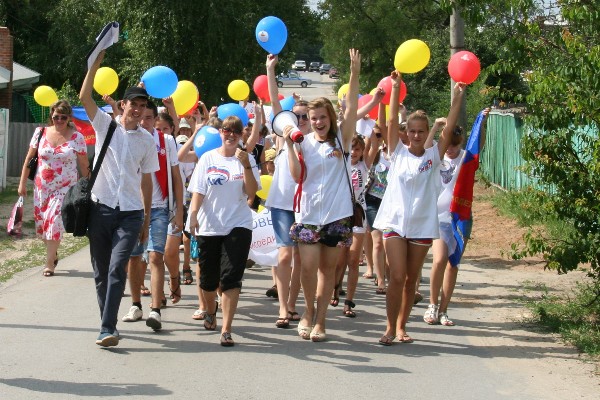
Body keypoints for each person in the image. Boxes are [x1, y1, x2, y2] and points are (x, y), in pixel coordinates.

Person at [374, 70, 466, 346]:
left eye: (420, 131)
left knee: (411, 279)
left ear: (427, 133)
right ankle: (390, 327)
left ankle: (402, 326)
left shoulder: (433, 156)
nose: (415, 135)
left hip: (422, 224)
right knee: (397, 276)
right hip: (394, 221)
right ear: (406, 133)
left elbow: (449, 129)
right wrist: (395, 86)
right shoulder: (397, 152)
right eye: (411, 131)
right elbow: (390, 120)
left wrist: (458, 97)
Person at [79, 50, 159, 347]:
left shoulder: (148, 140)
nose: (138, 109)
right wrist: (95, 64)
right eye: (133, 104)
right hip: (100, 208)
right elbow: (85, 97)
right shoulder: (105, 125)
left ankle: (106, 328)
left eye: (143, 105)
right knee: (101, 272)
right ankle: (107, 324)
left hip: (131, 213)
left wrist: (147, 221)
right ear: (122, 105)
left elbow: (147, 180)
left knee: (116, 268)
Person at [285, 49, 361, 342]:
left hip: (336, 216)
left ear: (330, 117)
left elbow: (352, 107)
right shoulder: (302, 142)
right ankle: (307, 310)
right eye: (313, 118)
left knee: (328, 270)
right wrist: (290, 146)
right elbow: (296, 176)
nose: (317, 122)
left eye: (322, 117)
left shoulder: (341, 141)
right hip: (307, 216)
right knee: (307, 267)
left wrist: (354, 74)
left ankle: (321, 321)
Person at [188, 116, 259, 347]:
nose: (231, 134)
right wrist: (193, 213)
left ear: (242, 136)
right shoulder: (208, 157)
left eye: (236, 132)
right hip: (209, 225)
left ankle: (227, 329)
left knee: (230, 277)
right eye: (227, 130)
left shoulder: (246, 160)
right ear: (220, 132)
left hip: (238, 224)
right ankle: (210, 309)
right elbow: (198, 189)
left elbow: (251, 193)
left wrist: (246, 164)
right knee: (208, 280)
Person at [121, 100, 184, 332]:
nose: (145, 122)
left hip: (159, 207)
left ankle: (155, 310)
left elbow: (177, 178)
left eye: (150, 118)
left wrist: (179, 211)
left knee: (156, 256)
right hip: (132, 206)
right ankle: (136, 304)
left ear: (155, 121)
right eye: (142, 117)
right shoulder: (126, 137)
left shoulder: (165, 141)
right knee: (135, 257)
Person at [424, 109, 489, 326]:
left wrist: (483, 122)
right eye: (448, 144)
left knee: (453, 264)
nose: (451, 149)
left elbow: (478, 145)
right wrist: (436, 127)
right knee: (440, 259)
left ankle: (444, 310)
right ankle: (432, 305)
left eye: (455, 145)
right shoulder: (436, 156)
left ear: (460, 143)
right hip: (439, 217)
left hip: (460, 217)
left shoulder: (465, 159)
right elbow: (424, 148)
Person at [17, 100, 89, 277]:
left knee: (54, 221)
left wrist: (89, 185)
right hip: (42, 187)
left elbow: (83, 163)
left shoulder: (77, 137)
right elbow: (29, 159)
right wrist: (22, 183)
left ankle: (49, 264)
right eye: (56, 116)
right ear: (52, 116)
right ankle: (53, 252)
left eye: (63, 117)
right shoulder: (40, 133)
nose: (59, 120)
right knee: (42, 227)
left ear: (69, 118)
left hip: (65, 188)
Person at [264, 54, 310, 328]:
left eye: (305, 116)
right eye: (298, 115)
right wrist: (270, 71)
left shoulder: (316, 142)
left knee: (301, 258)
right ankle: (283, 307)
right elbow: (274, 104)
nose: (302, 119)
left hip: (306, 207)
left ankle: (293, 304)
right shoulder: (284, 137)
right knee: (284, 255)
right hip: (282, 205)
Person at [333, 134, 369, 318]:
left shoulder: (365, 165)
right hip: (341, 213)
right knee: (340, 259)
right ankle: (335, 288)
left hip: (358, 214)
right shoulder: (342, 162)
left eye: (358, 149)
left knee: (353, 260)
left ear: (363, 151)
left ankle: (348, 302)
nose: (354, 152)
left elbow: (376, 141)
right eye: (352, 149)